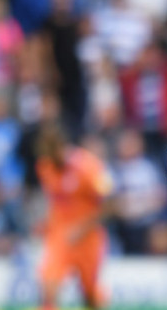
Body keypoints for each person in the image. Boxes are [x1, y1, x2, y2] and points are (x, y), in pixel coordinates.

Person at [35, 123, 114, 310]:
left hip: (88, 237)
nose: (47, 157)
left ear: (62, 145)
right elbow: (56, 200)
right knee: (48, 286)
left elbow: (110, 203)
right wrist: (46, 222)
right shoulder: (45, 167)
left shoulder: (88, 166)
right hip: (60, 235)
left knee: (89, 295)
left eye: (51, 151)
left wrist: (82, 228)